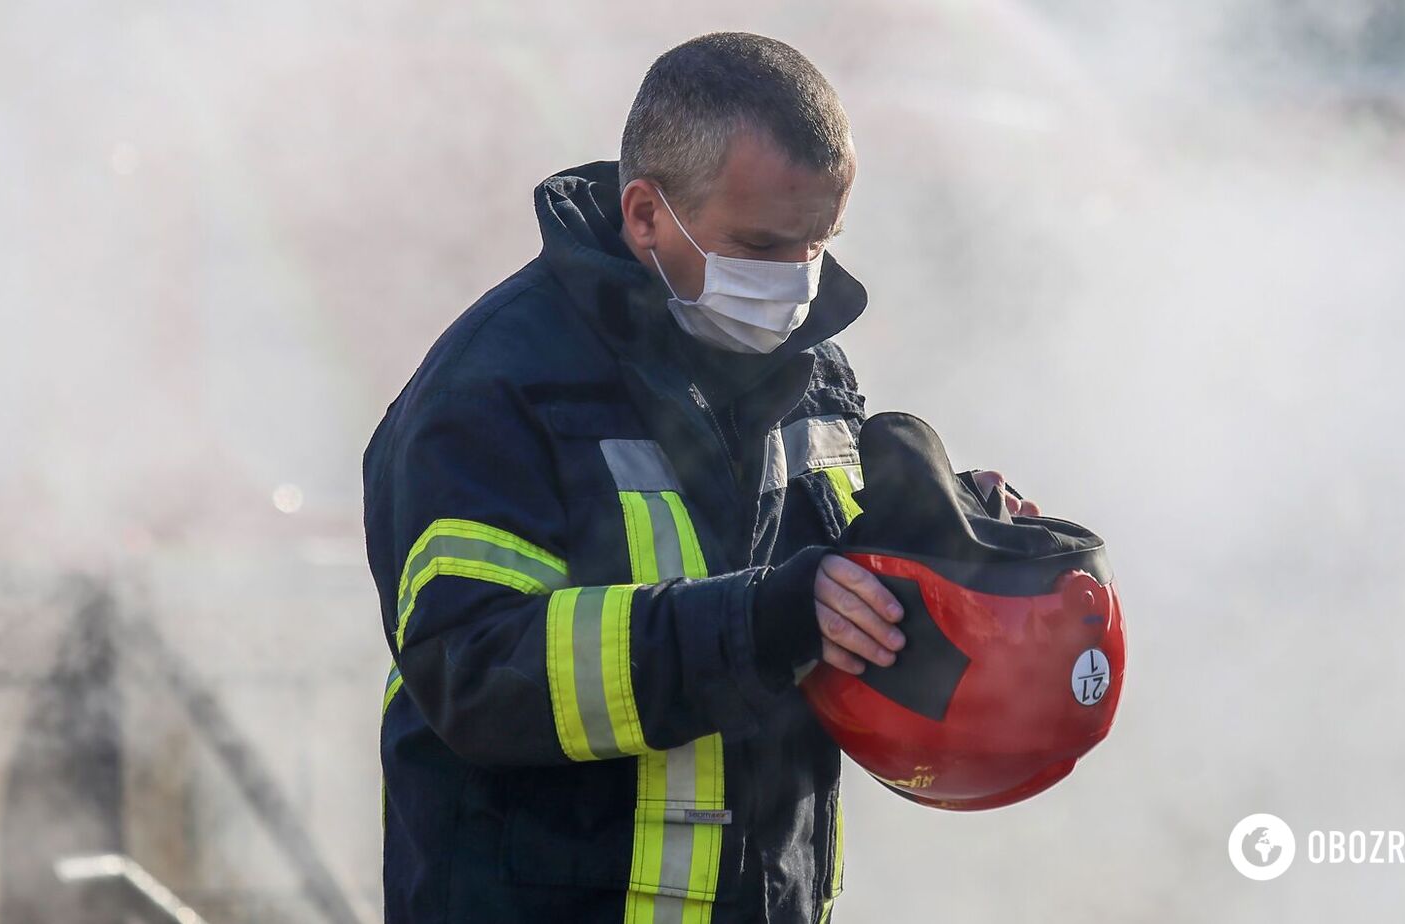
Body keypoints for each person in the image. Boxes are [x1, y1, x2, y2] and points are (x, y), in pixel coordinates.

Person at [363, 32, 1038, 924]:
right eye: (761, 245)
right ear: (645, 216)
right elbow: (475, 670)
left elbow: (825, 601)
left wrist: (943, 549)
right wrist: (759, 622)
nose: (795, 284)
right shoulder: (494, 387)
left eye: (818, 245)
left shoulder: (813, 374)